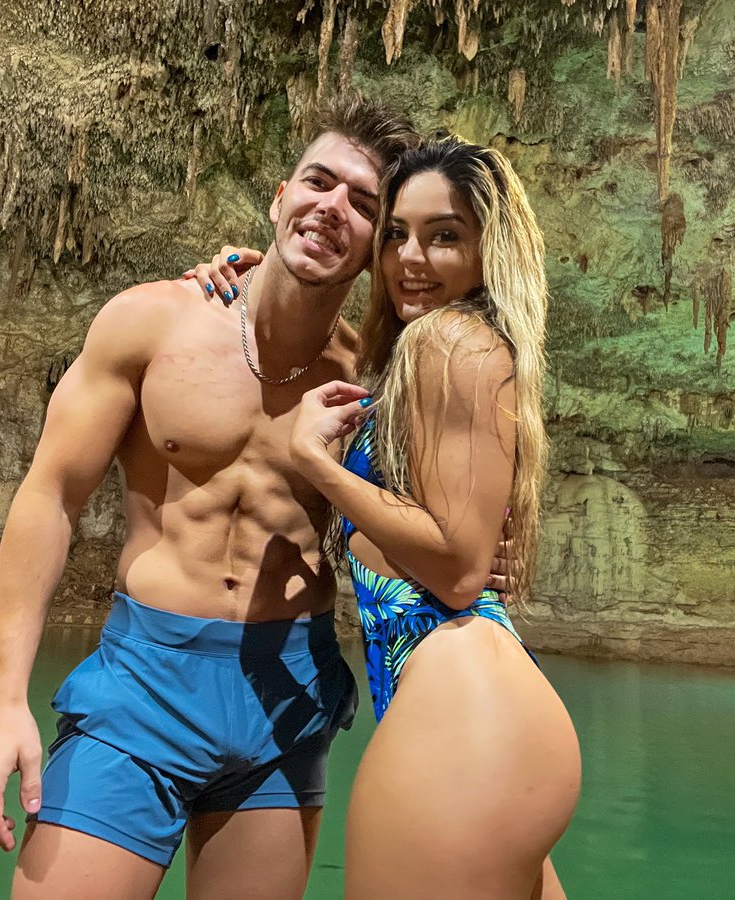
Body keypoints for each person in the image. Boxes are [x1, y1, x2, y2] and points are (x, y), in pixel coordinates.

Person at [0, 95, 423, 900]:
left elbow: (415, 530)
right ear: (280, 198)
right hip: (143, 685)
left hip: (289, 694)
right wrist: (0, 701)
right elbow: (52, 497)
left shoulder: (372, 379)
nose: (332, 207)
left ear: (379, 246)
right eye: (319, 182)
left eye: (363, 203)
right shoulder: (151, 323)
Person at [192, 137, 581, 898]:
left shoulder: (448, 342)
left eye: (445, 236)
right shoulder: (443, 353)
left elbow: (458, 571)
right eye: (397, 233)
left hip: (458, 713)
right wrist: (248, 271)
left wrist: (317, 465)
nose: (411, 258)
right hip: (496, 714)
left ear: (488, 251)